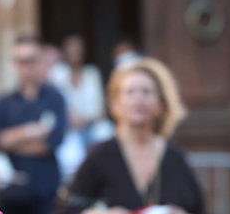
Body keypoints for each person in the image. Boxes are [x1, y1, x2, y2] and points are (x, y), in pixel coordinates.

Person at [56, 58, 204, 214]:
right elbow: (67, 207)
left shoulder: (175, 157)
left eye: (146, 92)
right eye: (130, 92)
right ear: (116, 103)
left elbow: (197, 207)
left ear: (161, 102)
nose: (138, 99)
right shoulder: (100, 155)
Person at [0, 35, 67, 214]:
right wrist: (32, 131)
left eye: (29, 60)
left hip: (45, 187)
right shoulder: (3, 102)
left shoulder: (55, 99)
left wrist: (11, 141)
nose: (24, 67)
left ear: (40, 62)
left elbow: (52, 142)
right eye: (18, 61)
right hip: (11, 191)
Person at [48, 34, 111, 181]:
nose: (74, 54)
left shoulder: (92, 73)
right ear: (64, 53)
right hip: (68, 129)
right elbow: (53, 104)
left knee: (106, 134)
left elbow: (101, 108)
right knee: (69, 161)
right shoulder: (57, 74)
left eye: (78, 50)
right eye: (71, 50)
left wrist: (86, 119)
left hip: (91, 126)